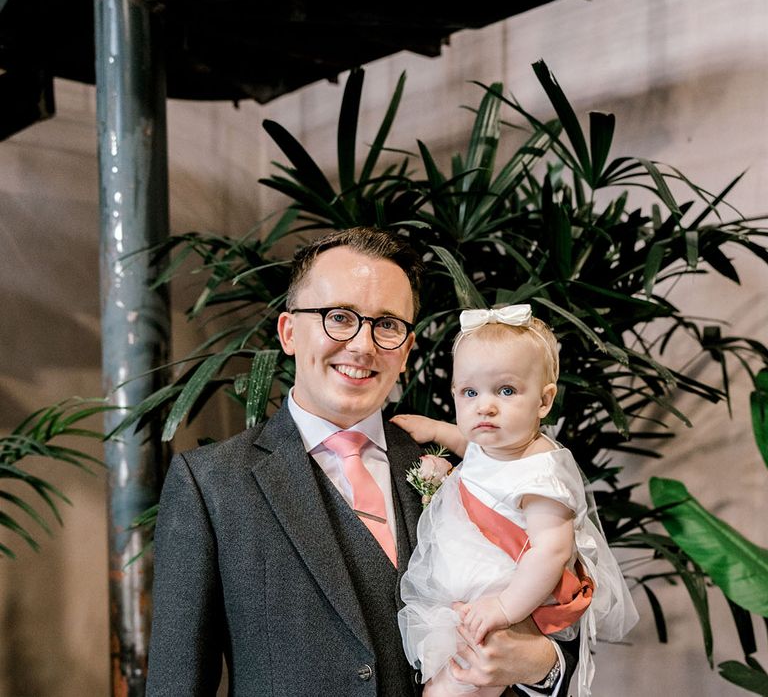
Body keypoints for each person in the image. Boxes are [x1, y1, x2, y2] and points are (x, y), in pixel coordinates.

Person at [146, 227, 579, 696]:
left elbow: (556, 601)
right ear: (289, 332)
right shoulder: (211, 483)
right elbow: (177, 683)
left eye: (387, 324)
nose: (362, 345)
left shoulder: (473, 462)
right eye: (339, 317)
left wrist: (540, 665)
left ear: (407, 351)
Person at [392, 305, 638, 697]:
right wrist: (435, 428)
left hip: (507, 602)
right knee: (442, 676)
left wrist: (504, 609)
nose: (485, 406)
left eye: (506, 391)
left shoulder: (540, 474)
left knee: (460, 682)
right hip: (465, 598)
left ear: (543, 402)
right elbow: (467, 444)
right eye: (470, 392)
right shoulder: (493, 442)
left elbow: (551, 553)